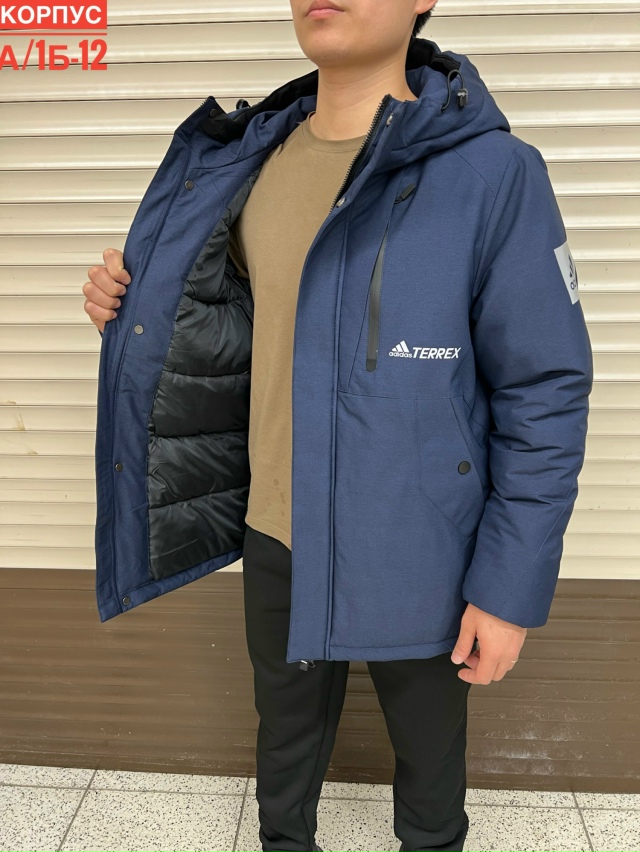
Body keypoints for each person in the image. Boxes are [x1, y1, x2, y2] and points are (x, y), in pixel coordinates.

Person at [83, 2, 593, 850]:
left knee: (431, 774)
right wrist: (130, 307)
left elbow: (544, 387)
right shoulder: (245, 163)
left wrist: (508, 590)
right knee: (284, 754)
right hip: (276, 531)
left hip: (424, 547)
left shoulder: (495, 174)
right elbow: (230, 323)